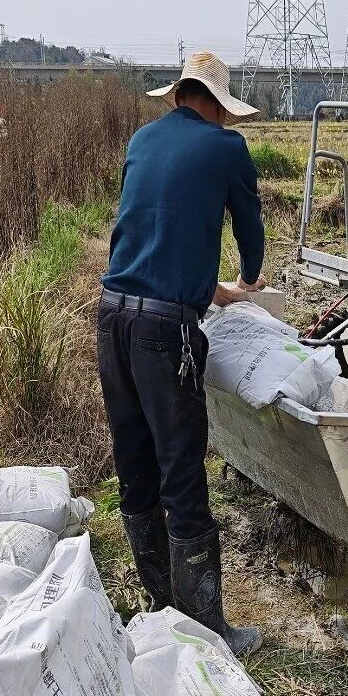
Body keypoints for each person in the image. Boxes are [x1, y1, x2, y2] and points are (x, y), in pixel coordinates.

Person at [97, 51, 265, 656]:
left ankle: (161, 606)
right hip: (164, 335)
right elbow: (249, 230)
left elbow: (148, 235)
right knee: (183, 474)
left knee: (135, 464)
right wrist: (247, 278)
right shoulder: (227, 147)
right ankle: (209, 631)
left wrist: (206, 288)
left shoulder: (143, 140)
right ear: (217, 104)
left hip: (112, 317)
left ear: (178, 95)